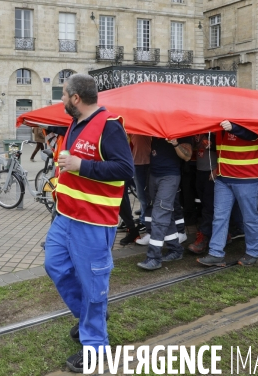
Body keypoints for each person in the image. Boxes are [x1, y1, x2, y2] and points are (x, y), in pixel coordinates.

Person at [43, 74, 134, 373]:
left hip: (93, 223)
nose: (61, 100)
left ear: (76, 98)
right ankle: (88, 319)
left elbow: (125, 168)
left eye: (63, 95)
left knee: (93, 284)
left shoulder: (109, 126)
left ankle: (96, 347)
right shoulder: (75, 123)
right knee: (54, 265)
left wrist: (81, 166)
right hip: (65, 217)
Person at [198, 120, 258, 267]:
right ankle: (216, 253)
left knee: (249, 218)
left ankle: (253, 253)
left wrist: (234, 127)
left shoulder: (248, 119)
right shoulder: (220, 123)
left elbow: (253, 134)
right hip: (225, 178)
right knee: (219, 217)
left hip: (248, 178)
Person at [136, 136, 192, 270]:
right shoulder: (158, 126)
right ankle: (175, 249)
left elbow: (187, 156)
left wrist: (175, 144)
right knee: (166, 214)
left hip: (169, 176)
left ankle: (153, 257)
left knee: (160, 215)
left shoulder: (183, 129)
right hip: (154, 174)